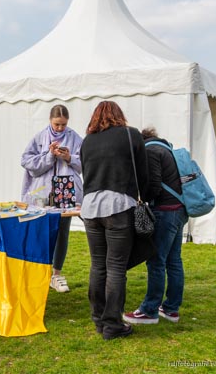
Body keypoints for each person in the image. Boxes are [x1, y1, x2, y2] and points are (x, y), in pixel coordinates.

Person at [80, 100, 148, 340]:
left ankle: (99, 320)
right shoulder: (131, 135)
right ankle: (112, 325)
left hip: (90, 208)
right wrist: (148, 199)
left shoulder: (87, 141)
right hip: (119, 206)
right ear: (119, 115)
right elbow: (143, 174)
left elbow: (86, 175)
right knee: (116, 267)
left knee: (98, 266)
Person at [123, 127, 188, 325]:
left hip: (165, 211)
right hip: (179, 209)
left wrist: (142, 199)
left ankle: (149, 310)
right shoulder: (166, 148)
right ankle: (171, 309)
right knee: (173, 260)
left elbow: (154, 186)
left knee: (156, 261)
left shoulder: (150, 152)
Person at [21, 104, 83, 292]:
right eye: (57, 124)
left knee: (62, 232)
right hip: (41, 194)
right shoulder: (39, 138)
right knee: (40, 233)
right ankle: (40, 272)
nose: (60, 128)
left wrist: (69, 157)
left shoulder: (75, 138)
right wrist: (49, 156)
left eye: (63, 125)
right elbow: (26, 162)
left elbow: (85, 164)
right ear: (50, 120)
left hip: (65, 193)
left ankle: (56, 275)